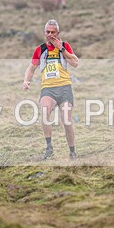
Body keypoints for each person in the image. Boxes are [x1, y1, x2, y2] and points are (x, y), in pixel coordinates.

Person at [23, 19, 79, 160]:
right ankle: (49, 147)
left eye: (53, 32)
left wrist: (61, 48)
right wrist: (26, 81)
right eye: (47, 32)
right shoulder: (40, 49)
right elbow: (31, 67)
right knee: (44, 113)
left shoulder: (65, 46)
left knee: (66, 120)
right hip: (48, 89)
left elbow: (75, 63)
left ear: (58, 33)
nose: (50, 35)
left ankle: (72, 152)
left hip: (65, 87)